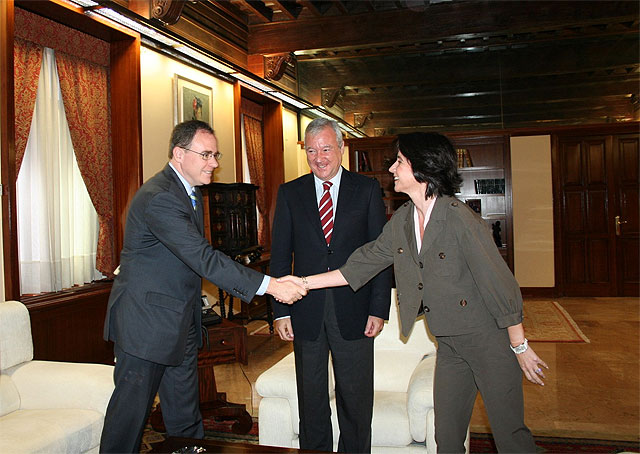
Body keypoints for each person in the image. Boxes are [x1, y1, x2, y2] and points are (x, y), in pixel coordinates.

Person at [278, 132, 548, 453]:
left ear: (422, 168)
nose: (392, 169)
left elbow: (501, 286)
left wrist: (519, 347)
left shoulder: (460, 219)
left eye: (400, 162)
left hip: (488, 342)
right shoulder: (404, 219)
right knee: (446, 440)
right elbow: (361, 264)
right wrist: (305, 283)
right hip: (448, 347)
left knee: (511, 438)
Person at [100, 120, 306, 453]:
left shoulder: (189, 193)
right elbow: (202, 258)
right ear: (179, 154)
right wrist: (270, 285)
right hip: (146, 326)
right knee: (129, 421)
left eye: (216, 154)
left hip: (178, 324)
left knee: (185, 419)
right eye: (206, 154)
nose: (214, 162)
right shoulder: (160, 197)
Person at [270, 118, 392, 453]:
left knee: (355, 397)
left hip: (354, 308)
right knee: (311, 397)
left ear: (341, 148)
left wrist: (379, 309)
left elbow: (379, 254)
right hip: (304, 311)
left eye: (326, 148)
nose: (319, 157)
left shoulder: (365, 189)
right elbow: (280, 256)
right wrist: (280, 313)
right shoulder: (290, 193)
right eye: (312, 150)